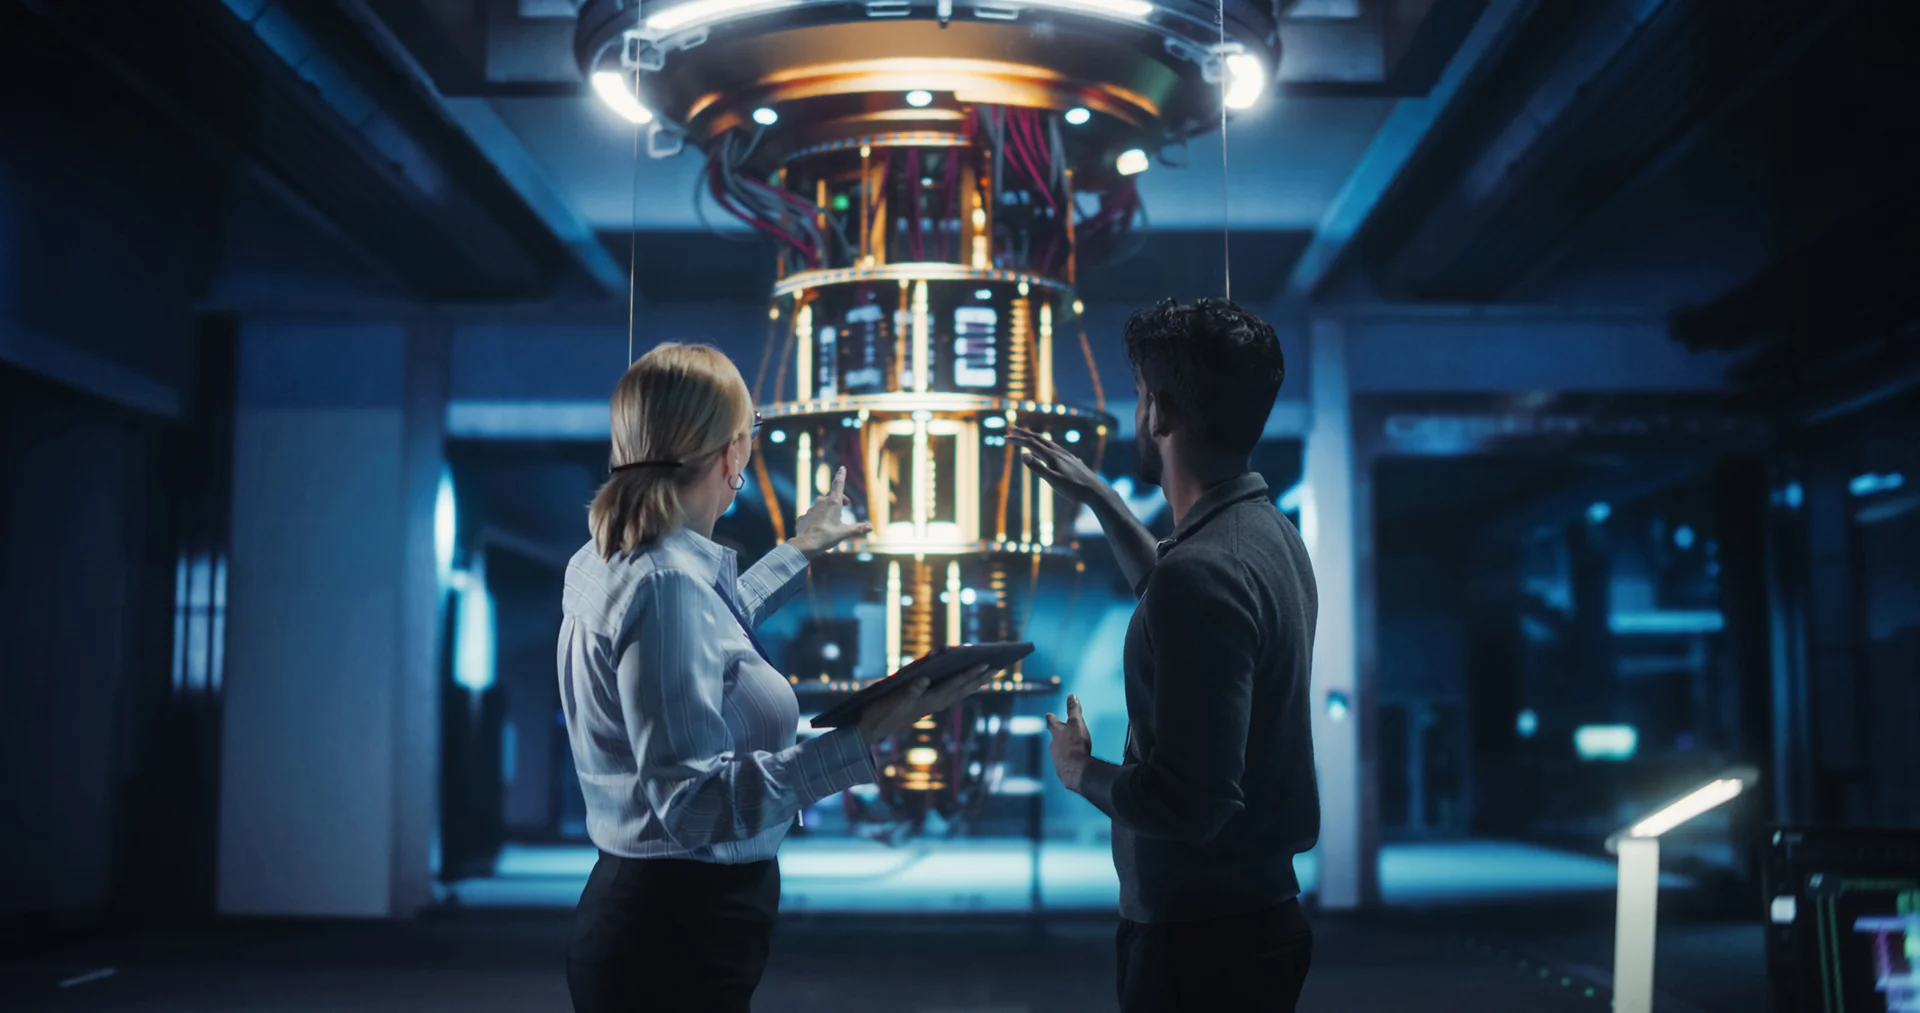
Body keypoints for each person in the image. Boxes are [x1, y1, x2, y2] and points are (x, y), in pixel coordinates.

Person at [558, 342, 992, 1013]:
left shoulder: (612, 556)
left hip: (654, 921)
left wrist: (801, 549)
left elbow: (703, 631)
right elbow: (693, 807)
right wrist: (862, 736)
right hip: (676, 938)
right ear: (732, 455)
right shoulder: (667, 582)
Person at [1012, 298, 1320, 1013]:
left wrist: (1078, 769)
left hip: (1198, 951)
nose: (1138, 410)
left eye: (1142, 394)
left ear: (1162, 413)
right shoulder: (1267, 537)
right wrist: (1098, 497)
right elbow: (1181, 595)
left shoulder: (1202, 575)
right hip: (1249, 928)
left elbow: (1194, 802)